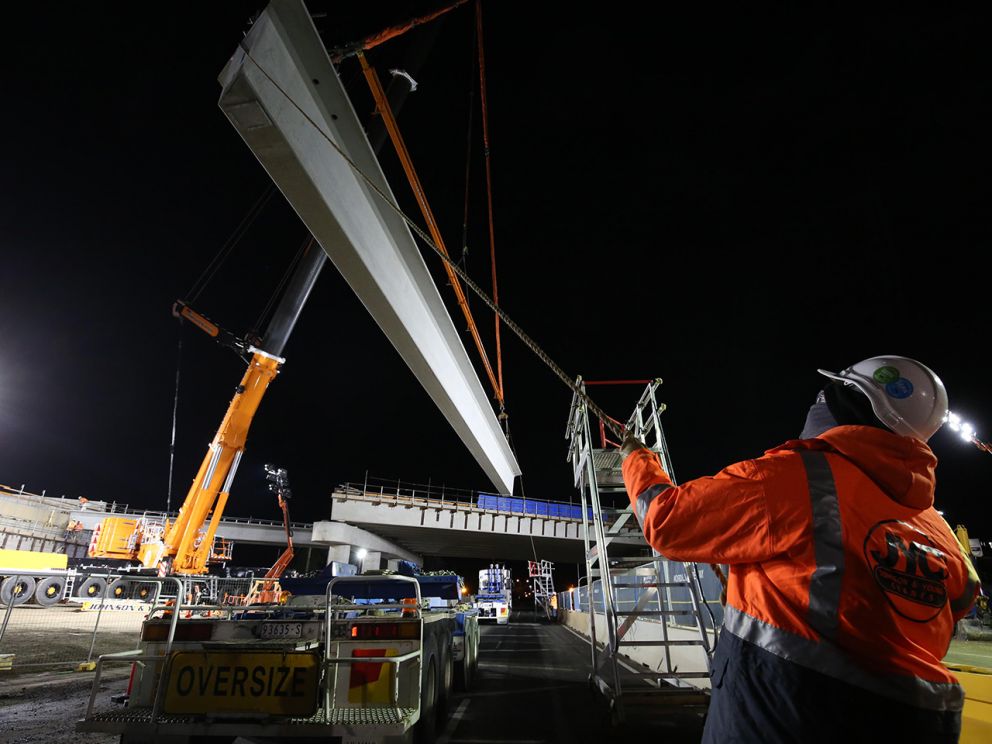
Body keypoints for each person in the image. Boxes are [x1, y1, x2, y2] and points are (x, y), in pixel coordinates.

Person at [620, 355, 980, 743]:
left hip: (790, 713)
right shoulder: (935, 525)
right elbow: (962, 599)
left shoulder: (798, 477)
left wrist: (637, 459)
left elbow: (667, 520)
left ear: (851, 402)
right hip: (919, 721)